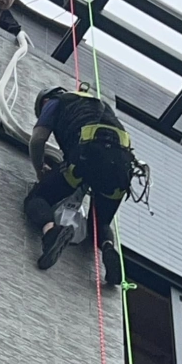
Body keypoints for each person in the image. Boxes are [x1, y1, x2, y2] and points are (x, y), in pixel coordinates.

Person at [24, 86, 135, 283]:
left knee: (37, 198)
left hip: (85, 159)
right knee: (99, 222)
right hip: (121, 171)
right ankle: (109, 248)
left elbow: (38, 139)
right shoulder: (102, 107)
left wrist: (40, 168)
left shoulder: (55, 102)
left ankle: (51, 232)